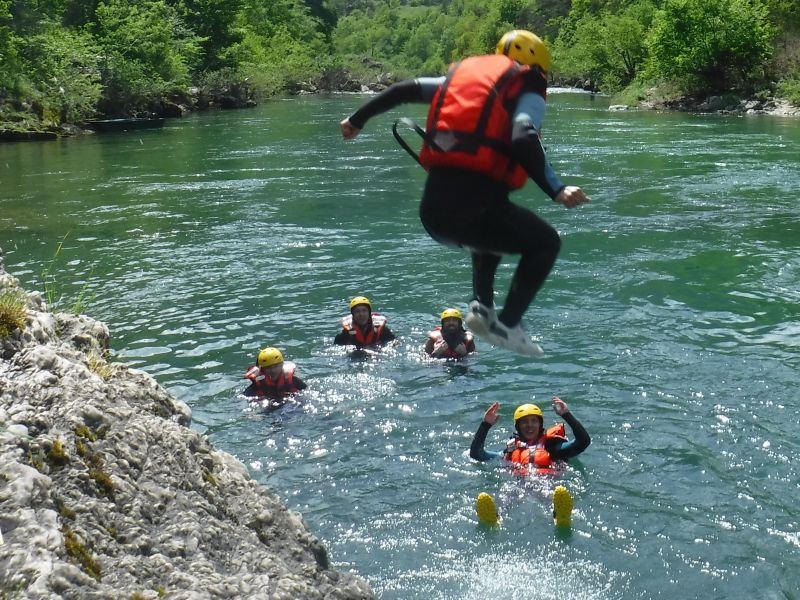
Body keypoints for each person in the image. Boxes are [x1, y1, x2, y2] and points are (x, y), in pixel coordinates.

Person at [340, 30, 590, 357]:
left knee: (491, 233)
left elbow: (403, 90)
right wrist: (557, 188)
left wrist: (356, 120)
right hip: (474, 208)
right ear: (538, 66)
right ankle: (510, 324)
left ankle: (482, 307)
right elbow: (523, 134)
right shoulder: (528, 87)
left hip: (433, 214)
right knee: (546, 242)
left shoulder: (461, 80)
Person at [470, 398, 590, 527]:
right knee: (505, 497)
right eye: (524, 422)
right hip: (518, 484)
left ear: (540, 424)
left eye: (534, 421)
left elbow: (584, 441)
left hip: (546, 481)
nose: (530, 425)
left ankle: (560, 516)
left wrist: (567, 414)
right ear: (518, 427)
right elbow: (477, 455)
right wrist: (485, 424)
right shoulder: (510, 450)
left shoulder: (554, 447)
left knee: (551, 495)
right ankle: (494, 518)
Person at [243, 347, 307, 407]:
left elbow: (306, 392)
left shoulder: (294, 381)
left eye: (276, 366)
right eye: (268, 368)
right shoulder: (255, 386)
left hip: (290, 406)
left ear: (282, 364)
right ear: (261, 370)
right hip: (267, 408)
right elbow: (244, 399)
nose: (273, 370)